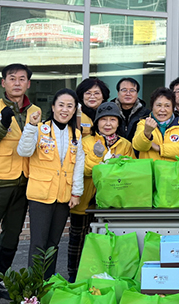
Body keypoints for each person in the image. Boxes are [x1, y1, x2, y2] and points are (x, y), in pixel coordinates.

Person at [0, 63, 40, 304]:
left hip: (24, 182)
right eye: (12, 78)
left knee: (12, 235)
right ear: (3, 83)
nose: (17, 83)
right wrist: (2, 125)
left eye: (22, 79)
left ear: (28, 84)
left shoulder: (35, 110)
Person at [18, 89, 84, 279]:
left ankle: (48, 281)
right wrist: (31, 126)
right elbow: (24, 151)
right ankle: (34, 285)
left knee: (54, 244)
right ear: (53, 107)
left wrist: (76, 192)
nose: (65, 110)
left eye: (69, 106)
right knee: (38, 243)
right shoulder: (39, 128)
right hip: (41, 194)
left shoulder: (76, 134)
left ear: (74, 110)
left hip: (63, 196)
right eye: (61, 105)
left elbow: (78, 164)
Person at [69, 102, 133, 281]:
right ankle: (75, 277)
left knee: (106, 239)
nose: (108, 124)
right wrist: (98, 157)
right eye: (104, 120)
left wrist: (122, 163)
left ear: (118, 123)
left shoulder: (125, 144)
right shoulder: (86, 142)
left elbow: (131, 173)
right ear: (97, 122)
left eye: (113, 119)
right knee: (78, 240)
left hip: (112, 202)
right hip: (86, 200)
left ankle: (105, 277)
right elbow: (83, 170)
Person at [68, 78, 110, 280]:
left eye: (97, 93)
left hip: (104, 191)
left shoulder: (110, 115)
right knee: (77, 235)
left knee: (100, 235)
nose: (92, 97)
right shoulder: (74, 116)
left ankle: (97, 274)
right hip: (82, 186)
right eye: (88, 93)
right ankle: (74, 276)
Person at [132, 87, 179, 161]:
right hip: (150, 168)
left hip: (173, 168)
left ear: (173, 108)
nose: (162, 110)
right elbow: (138, 146)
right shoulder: (143, 123)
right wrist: (147, 132)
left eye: (167, 106)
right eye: (159, 105)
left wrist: (159, 148)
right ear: (152, 107)